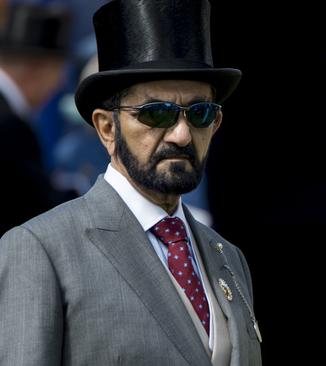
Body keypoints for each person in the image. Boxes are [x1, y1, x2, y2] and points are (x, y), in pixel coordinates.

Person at [0, 0, 262, 365]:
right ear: (106, 128)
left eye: (200, 113)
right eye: (156, 113)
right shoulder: (42, 248)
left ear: (216, 124)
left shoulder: (228, 257)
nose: (182, 134)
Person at [0, 3, 76, 235]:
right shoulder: (10, 127)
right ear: (35, 68)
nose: (61, 83)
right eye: (59, 71)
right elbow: (38, 208)